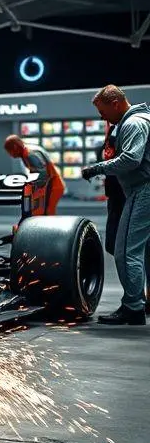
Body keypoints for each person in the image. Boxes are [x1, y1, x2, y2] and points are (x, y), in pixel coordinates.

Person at [82, 85, 150, 325]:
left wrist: (97, 168)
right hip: (142, 189)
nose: (102, 117)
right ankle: (142, 302)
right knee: (145, 251)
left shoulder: (133, 123)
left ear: (115, 103)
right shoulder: (142, 119)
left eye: (103, 112)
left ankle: (133, 307)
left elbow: (132, 159)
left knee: (125, 252)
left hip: (143, 191)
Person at [4, 134, 65, 215]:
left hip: (52, 185)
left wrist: (30, 185)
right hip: (47, 186)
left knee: (48, 212)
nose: (10, 154)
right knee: (40, 212)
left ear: (15, 147)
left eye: (9, 151)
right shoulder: (25, 153)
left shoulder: (30, 154)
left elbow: (42, 174)